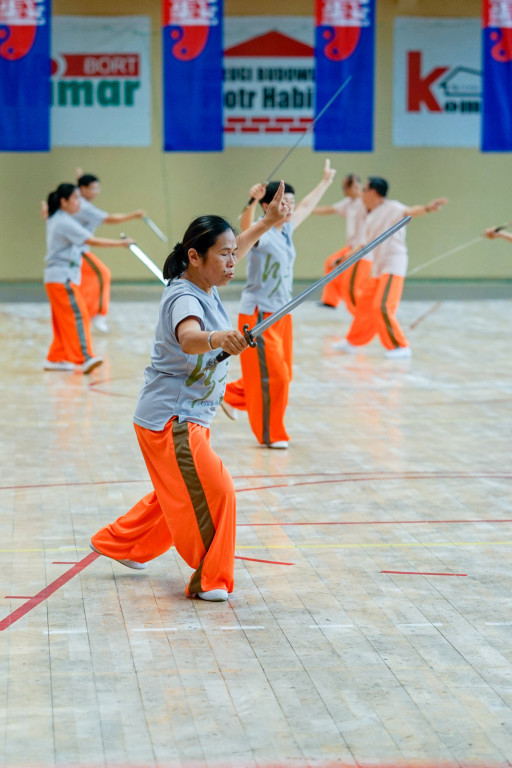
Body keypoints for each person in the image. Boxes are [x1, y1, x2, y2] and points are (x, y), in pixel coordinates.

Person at [90, 183, 290, 602]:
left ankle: (121, 543)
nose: (234, 261)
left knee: (176, 494)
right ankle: (212, 577)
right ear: (195, 256)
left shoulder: (207, 284)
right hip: (172, 422)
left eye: (235, 253)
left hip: (184, 416)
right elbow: (189, 338)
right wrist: (220, 338)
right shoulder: (184, 296)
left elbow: (240, 244)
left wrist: (269, 222)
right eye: (224, 254)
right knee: (219, 492)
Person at [221, 160, 336, 449]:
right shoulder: (262, 232)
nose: (290, 207)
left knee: (282, 372)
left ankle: (231, 395)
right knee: (277, 377)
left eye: (291, 202)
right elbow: (245, 228)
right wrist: (251, 201)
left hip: (282, 312)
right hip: (259, 314)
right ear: (269, 207)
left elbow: (308, 206)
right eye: (283, 202)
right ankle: (271, 434)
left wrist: (325, 181)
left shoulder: (286, 231)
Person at [332, 177, 448, 358]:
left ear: (373, 192)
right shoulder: (370, 215)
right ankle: (353, 342)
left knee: (383, 306)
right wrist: (344, 258)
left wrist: (427, 208)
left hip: (393, 265)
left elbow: (410, 211)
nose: (361, 193)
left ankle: (400, 347)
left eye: (364, 189)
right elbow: (363, 243)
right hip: (378, 269)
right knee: (364, 305)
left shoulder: (392, 208)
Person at [44, 183, 134, 373]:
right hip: (62, 278)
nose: (79, 203)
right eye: (75, 198)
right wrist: (121, 244)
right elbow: (91, 241)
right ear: (64, 201)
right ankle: (85, 358)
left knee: (63, 320)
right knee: (79, 316)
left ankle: (56, 358)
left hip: (57, 277)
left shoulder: (58, 218)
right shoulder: (63, 221)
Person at [75, 172, 146, 332]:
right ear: (83, 189)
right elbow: (109, 219)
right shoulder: (83, 206)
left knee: (86, 281)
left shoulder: (76, 198)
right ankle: (98, 316)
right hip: (78, 251)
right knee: (102, 274)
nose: (96, 191)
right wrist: (133, 215)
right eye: (93, 188)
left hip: (77, 250)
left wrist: (78, 177)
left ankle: (85, 314)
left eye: (98, 188)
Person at [312, 173, 369, 313]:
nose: (344, 190)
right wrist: (307, 210)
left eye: (347, 186)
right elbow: (330, 209)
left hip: (362, 249)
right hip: (351, 246)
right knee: (330, 262)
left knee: (352, 286)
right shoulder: (348, 203)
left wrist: (358, 187)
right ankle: (331, 301)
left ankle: (360, 313)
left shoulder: (366, 202)